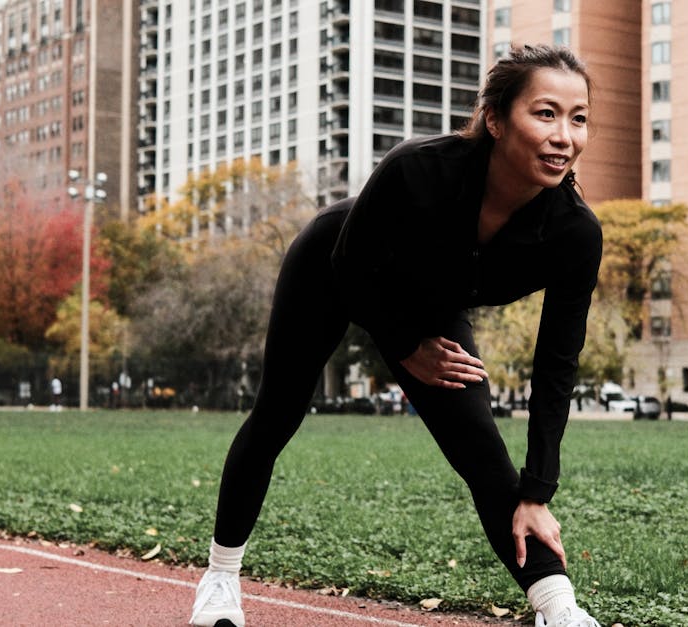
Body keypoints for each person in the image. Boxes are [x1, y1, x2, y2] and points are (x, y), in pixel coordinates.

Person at [189, 45, 603, 627]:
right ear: (495, 119)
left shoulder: (574, 233)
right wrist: (407, 347)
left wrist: (537, 490)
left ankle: (559, 608)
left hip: (432, 305)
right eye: (545, 113)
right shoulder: (419, 167)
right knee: (277, 414)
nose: (565, 135)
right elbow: (351, 266)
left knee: (483, 451)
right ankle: (219, 579)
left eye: (578, 117)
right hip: (335, 268)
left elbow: (557, 362)